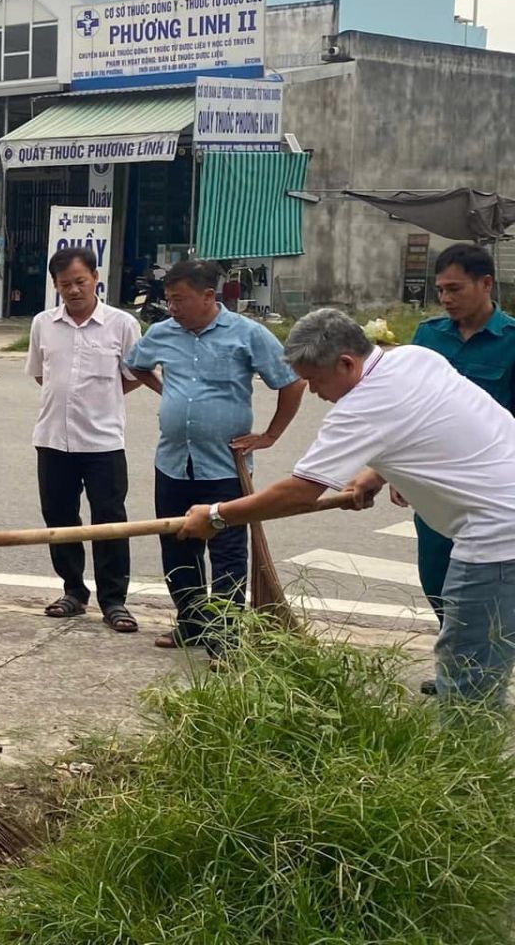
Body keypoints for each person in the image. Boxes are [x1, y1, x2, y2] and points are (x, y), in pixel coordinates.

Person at [179, 309, 515, 704]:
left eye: (316, 380)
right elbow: (428, 424)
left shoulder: (361, 406)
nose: (315, 392)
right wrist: (376, 475)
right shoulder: (414, 358)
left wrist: (217, 516)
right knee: (487, 656)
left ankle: (468, 756)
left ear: (345, 363)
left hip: (496, 537)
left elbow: (301, 491)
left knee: (467, 671)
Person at [126, 259, 303, 652]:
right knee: (177, 545)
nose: (173, 308)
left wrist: (271, 435)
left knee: (226, 554)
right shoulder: (162, 333)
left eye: (180, 300)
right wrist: (167, 394)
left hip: (224, 464)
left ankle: (225, 635)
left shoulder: (247, 334)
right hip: (172, 462)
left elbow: (291, 381)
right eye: (169, 300)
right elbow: (136, 365)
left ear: (209, 296)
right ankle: (191, 622)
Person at [26, 247, 144, 633]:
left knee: (110, 521)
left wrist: (98, 401)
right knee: (59, 518)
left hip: (103, 442)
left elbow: (132, 376)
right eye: (64, 285)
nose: (73, 290)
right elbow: (41, 374)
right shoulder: (43, 323)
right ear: (56, 287)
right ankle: (73, 591)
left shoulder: (122, 324)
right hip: (52, 439)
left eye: (80, 281)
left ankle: (115, 601)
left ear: (96, 278)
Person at [407, 244, 515, 638]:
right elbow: (409, 408)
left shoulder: (511, 340)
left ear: (485, 284)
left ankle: (478, 671)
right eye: (441, 290)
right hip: (436, 485)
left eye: (455, 288)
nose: (446, 298)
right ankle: (456, 659)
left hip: (492, 490)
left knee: (489, 583)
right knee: (436, 577)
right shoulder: (428, 335)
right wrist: (403, 476)